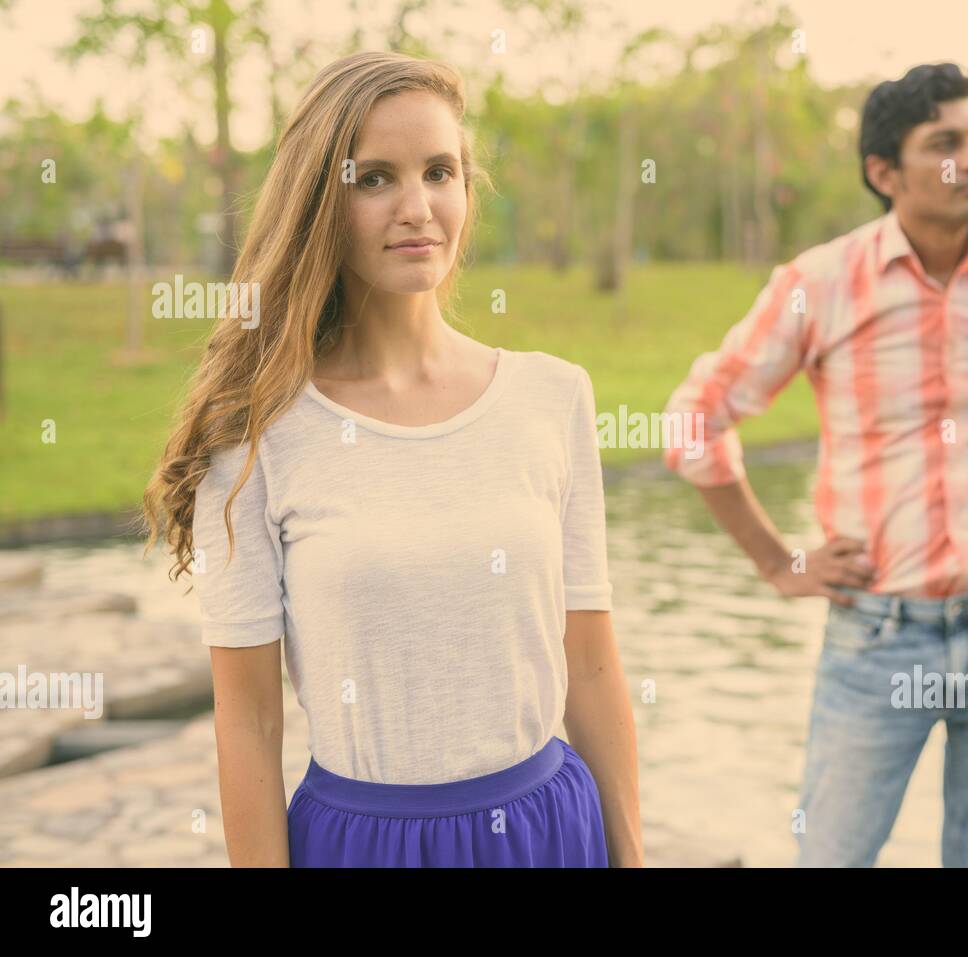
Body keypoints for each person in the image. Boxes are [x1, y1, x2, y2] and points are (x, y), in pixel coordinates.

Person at [141, 51, 642, 868]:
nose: (418, 207)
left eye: (440, 171)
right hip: (362, 843)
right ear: (320, 204)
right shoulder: (256, 429)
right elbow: (249, 723)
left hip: (551, 833)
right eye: (374, 178)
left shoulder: (554, 398)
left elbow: (589, 663)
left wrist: (632, 857)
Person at [660, 62, 968, 866]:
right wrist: (776, 559)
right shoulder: (818, 284)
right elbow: (695, 416)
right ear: (884, 172)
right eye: (948, 142)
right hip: (879, 635)